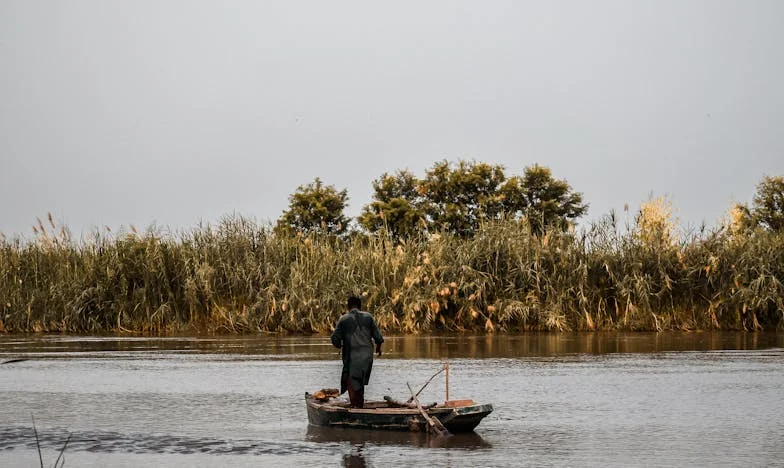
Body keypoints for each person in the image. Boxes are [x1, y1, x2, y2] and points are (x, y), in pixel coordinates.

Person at [331, 296, 384, 408]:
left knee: (350, 381)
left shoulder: (344, 319)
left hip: (352, 357)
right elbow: (378, 338)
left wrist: (340, 345)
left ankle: (356, 408)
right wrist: (378, 348)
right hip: (367, 357)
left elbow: (335, 339)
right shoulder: (369, 317)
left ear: (348, 306)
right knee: (359, 383)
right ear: (360, 306)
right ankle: (359, 406)